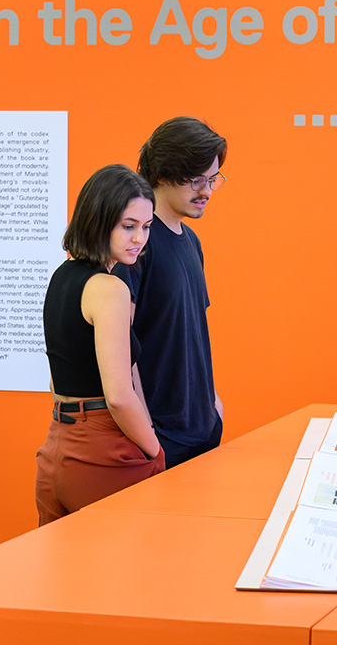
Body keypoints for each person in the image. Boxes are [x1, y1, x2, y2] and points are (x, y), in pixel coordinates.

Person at [34, 164, 164, 524]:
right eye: (128, 226)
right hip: (102, 450)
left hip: (56, 450)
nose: (139, 238)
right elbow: (120, 396)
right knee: (122, 574)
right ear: (97, 220)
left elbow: (55, 379)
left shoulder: (62, 277)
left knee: (64, 574)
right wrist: (154, 451)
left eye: (146, 227)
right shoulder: (110, 289)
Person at [113, 116, 228, 468]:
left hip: (202, 430)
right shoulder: (136, 247)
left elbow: (189, 335)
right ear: (162, 175)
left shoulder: (191, 242)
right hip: (161, 441)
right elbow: (120, 350)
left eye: (213, 180)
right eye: (196, 180)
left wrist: (213, 406)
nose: (206, 191)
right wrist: (150, 436)